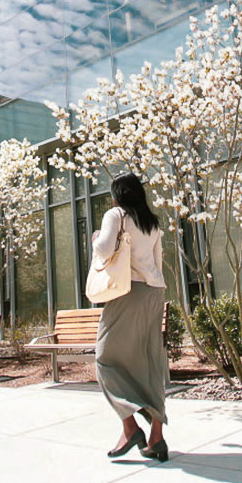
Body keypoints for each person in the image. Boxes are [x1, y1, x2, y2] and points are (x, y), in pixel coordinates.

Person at [92, 173, 169, 462]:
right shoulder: (152, 222)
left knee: (104, 358)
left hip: (128, 293)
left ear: (118, 196)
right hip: (154, 292)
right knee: (150, 362)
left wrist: (96, 238)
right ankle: (157, 439)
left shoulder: (116, 215)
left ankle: (130, 427)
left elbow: (103, 249)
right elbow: (158, 262)